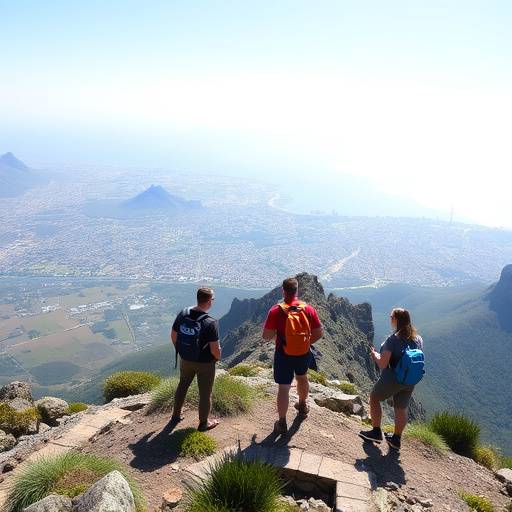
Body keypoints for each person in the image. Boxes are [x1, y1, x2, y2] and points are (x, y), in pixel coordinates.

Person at [262, 277, 323, 435]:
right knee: (302, 377)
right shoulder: (308, 309)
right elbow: (319, 333)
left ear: (283, 291)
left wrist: (280, 340)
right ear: (297, 291)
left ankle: (282, 423)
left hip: (283, 354)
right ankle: (302, 406)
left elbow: (266, 335)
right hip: (303, 353)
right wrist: (305, 343)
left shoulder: (276, 310)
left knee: (283, 388)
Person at [359, 307, 424, 451]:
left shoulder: (393, 340)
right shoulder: (418, 339)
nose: (390, 319)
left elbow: (383, 364)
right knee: (401, 408)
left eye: (391, 317)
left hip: (393, 378)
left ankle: (376, 432)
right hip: (410, 380)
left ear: (396, 320)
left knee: (374, 397)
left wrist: (375, 356)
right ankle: (396, 439)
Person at [170, 287, 221, 431]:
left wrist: (182, 352)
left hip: (185, 360)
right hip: (205, 363)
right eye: (213, 299)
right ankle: (203, 423)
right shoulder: (210, 323)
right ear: (210, 301)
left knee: (183, 385)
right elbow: (215, 350)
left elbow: (173, 336)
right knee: (205, 393)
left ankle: (175, 415)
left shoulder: (183, 313)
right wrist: (217, 359)